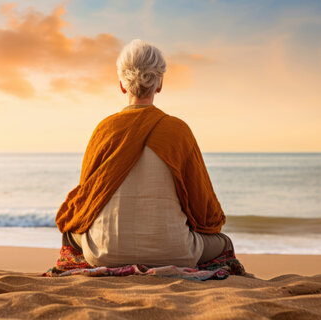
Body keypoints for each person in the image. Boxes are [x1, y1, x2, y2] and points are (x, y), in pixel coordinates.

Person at [55, 39, 234, 268]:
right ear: (159, 84)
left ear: (122, 85)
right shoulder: (178, 131)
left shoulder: (104, 130)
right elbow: (203, 207)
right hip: (176, 253)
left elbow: (88, 201)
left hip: (104, 254)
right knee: (223, 242)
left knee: (70, 235)